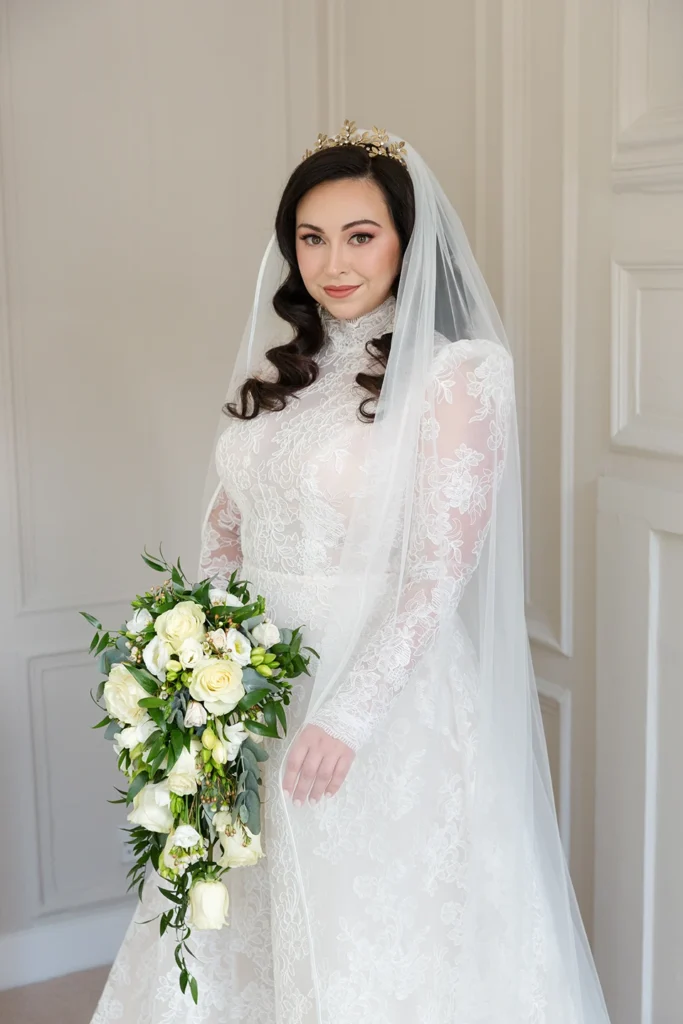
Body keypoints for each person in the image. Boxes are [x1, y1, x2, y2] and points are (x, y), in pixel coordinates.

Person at [92, 122, 612, 1023]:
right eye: (311, 237)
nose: (333, 262)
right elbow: (228, 529)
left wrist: (347, 713)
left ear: (407, 241)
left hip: (376, 701)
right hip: (250, 691)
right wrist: (197, 663)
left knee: (369, 942)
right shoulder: (282, 373)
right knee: (240, 929)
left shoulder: (458, 375)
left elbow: (437, 571)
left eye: (360, 235)